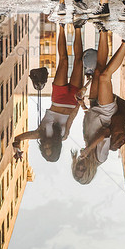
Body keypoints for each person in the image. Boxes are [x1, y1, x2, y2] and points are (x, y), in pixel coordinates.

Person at [71, 29, 125, 184]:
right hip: (106, 111)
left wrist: (82, 104)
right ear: (89, 172)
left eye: (77, 169)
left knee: (98, 70)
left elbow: (92, 121)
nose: (80, 167)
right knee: (105, 77)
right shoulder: (100, 157)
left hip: (94, 105)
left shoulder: (86, 145)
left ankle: (103, 31)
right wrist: (89, 148)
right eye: (83, 171)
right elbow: (105, 131)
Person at [13, 22, 85, 161]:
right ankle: (78, 27)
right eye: (50, 148)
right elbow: (71, 118)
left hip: (58, 98)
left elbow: (18, 138)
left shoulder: (40, 133)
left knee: (63, 61)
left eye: (44, 149)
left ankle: (62, 27)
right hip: (72, 100)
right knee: (78, 61)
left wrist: (17, 148)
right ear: (56, 148)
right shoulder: (63, 136)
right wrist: (80, 102)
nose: (46, 146)